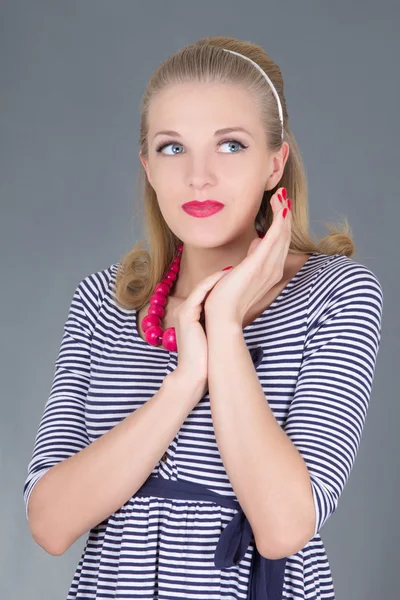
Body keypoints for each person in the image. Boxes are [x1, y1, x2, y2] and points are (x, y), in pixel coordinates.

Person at [23, 36, 383, 600]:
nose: (199, 175)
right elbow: (49, 522)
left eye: (231, 145)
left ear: (275, 162)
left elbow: (285, 525)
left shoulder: (336, 295)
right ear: (147, 166)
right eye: (172, 148)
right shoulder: (103, 301)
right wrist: (185, 380)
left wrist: (225, 326)